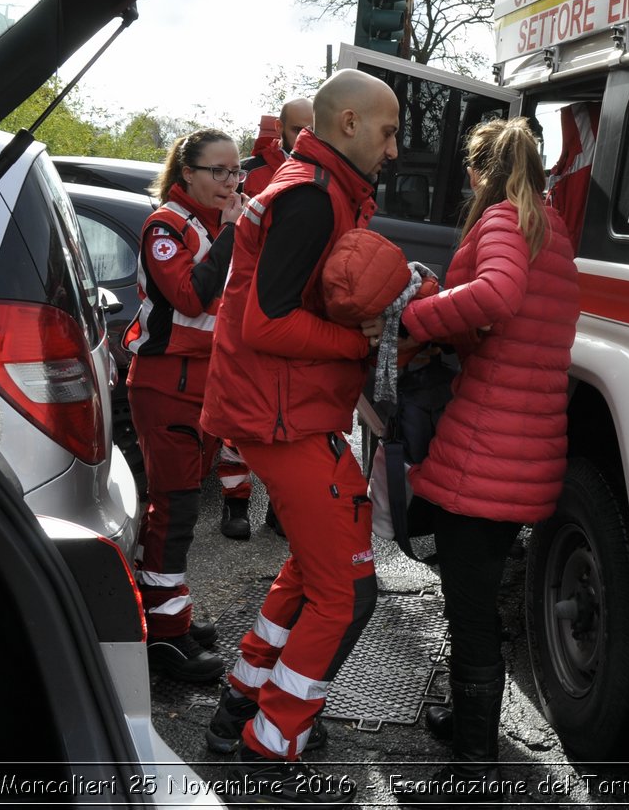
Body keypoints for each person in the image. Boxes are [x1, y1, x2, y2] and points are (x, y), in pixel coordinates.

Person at [200, 69, 400, 807]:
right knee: (348, 594)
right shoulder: (314, 196)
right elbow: (266, 322)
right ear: (348, 122)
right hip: (284, 418)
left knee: (317, 573)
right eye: (388, 130)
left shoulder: (319, 184)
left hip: (287, 415)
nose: (396, 146)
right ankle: (270, 745)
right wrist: (358, 340)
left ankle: (240, 710)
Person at [390, 118, 579, 804]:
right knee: (474, 593)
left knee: (469, 608)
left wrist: (416, 320)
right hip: (525, 444)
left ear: (478, 170)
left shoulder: (503, 219)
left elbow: (497, 296)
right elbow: (515, 322)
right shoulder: (550, 230)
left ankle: (473, 766)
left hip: (486, 450)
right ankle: (463, 720)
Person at [123, 129, 245, 682]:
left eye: (235, 171)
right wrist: (234, 234)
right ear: (187, 172)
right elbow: (191, 296)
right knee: (171, 513)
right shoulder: (165, 226)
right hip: (164, 384)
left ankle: (169, 612)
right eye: (218, 171)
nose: (229, 181)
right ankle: (164, 639)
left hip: (203, 386)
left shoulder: (217, 225)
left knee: (184, 509)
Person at [224, 94, 315, 541]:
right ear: (282, 131)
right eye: (299, 129)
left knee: (283, 423)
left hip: (288, 311)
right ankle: (234, 505)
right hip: (248, 308)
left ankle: (280, 510)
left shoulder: (319, 177)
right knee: (240, 424)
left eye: (312, 128)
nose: (306, 137)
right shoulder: (251, 174)